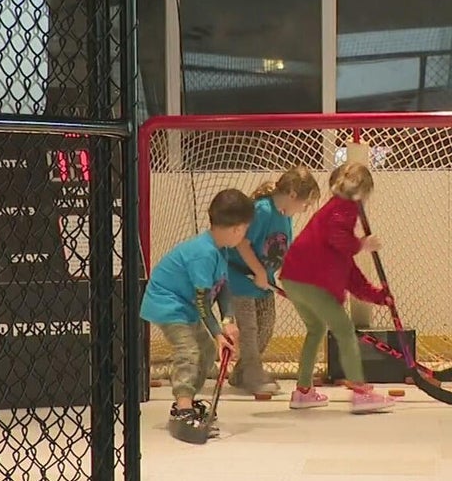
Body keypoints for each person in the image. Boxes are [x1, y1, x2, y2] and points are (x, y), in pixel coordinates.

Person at [278, 161, 395, 414]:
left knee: (316, 328)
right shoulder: (345, 208)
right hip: (310, 281)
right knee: (344, 330)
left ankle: (303, 391)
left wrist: (377, 296)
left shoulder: (331, 213)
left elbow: (349, 272)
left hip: (292, 278)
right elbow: (339, 238)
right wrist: (362, 244)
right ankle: (362, 394)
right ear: (363, 192)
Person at [140, 188, 255, 443]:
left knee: (204, 351)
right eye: (245, 229)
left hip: (187, 305)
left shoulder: (221, 248)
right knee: (189, 351)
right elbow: (204, 300)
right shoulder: (203, 253)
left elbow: (223, 287)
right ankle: (183, 407)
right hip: (168, 304)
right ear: (237, 229)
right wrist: (217, 334)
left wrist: (228, 321)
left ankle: (188, 400)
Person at [223, 166, 321, 395]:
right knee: (249, 328)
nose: (305, 209)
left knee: (266, 328)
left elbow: (281, 252)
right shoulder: (262, 211)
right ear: (293, 194)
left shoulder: (285, 217)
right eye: (305, 203)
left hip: (263, 281)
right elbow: (241, 243)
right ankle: (253, 374)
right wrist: (257, 272)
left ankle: (241, 373)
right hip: (240, 277)